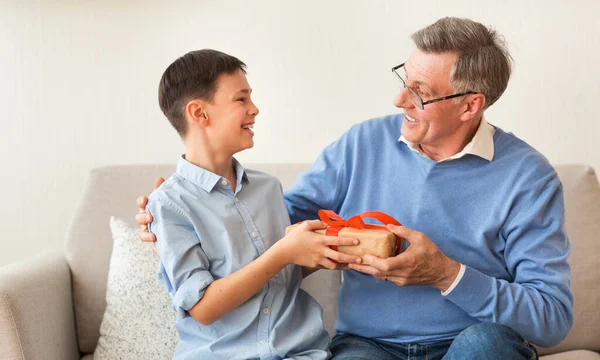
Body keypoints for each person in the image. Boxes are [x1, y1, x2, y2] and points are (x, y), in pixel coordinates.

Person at [137, 18, 573, 359]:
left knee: (487, 346)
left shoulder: (528, 177)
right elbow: (271, 232)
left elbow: (552, 319)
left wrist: (446, 274)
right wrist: (185, 216)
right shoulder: (361, 144)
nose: (399, 101)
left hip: (472, 344)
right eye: (404, 79)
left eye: (419, 92)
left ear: (469, 105)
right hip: (368, 344)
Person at [144, 49, 363, 360]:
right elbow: (203, 308)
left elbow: (276, 274)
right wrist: (284, 252)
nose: (255, 109)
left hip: (300, 353)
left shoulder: (268, 188)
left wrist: (319, 253)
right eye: (241, 99)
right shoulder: (168, 205)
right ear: (199, 113)